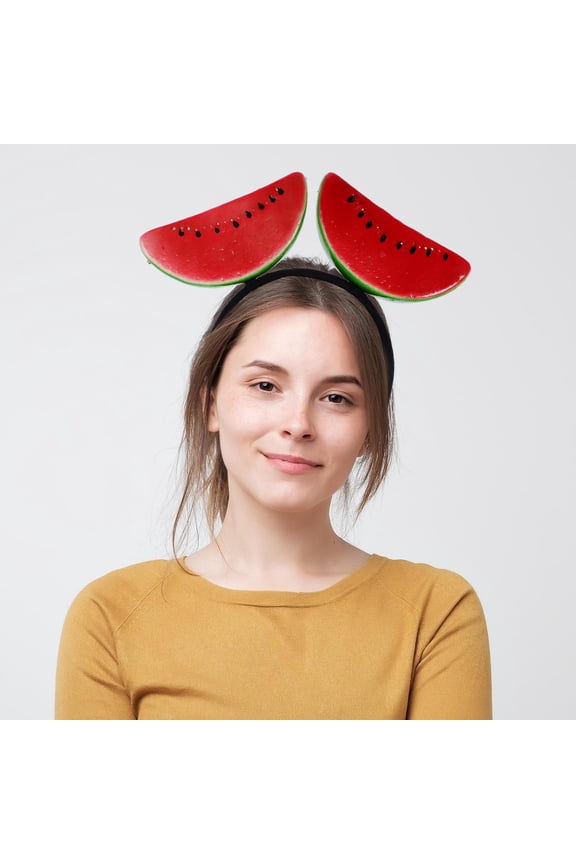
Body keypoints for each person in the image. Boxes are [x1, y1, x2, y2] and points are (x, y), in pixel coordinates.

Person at [55, 256, 492, 719]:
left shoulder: (436, 611)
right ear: (211, 405)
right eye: (265, 385)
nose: (298, 424)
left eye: (336, 398)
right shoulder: (109, 615)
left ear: (370, 430)